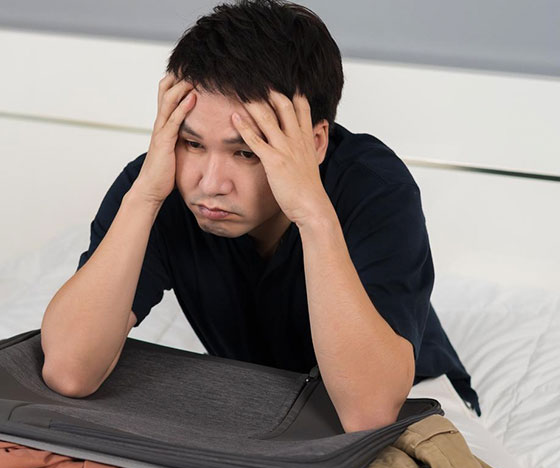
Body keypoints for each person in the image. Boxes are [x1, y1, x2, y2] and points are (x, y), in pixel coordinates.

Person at [40, 0, 480, 433]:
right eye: (193, 143)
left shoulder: (375, 188)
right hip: (265, 411)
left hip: (415, 409)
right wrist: (145, 197)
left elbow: (369, 414)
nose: (210, 183)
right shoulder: (160, 181)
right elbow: (69, 372)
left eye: (246, 151)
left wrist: (312, 214)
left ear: (315, 142)